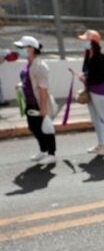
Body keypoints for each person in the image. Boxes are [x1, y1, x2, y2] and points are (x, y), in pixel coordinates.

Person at [15, 35, 57, 164]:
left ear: (31, 48)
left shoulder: (40, 66)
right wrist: (22, 85)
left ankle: (51, 154)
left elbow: (43, 88)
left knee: (46, 128)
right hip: (29, 101)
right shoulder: (29, 64)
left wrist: (43, 108)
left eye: (22, 47)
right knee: (34, 127)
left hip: (39, 103)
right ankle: (43, 150)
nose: (19, 50)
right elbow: (29, 81)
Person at [78, 30, 104, 155]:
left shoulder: (102, 56)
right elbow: (86, 70)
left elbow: (103, 76)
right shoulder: (88, 54)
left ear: (92, 41)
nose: (83, 42)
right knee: (95, 119)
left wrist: (86, 78)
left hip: (100, 92)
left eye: (85, 40)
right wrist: (84, 75)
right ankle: (100, 144)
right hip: (90, 90)